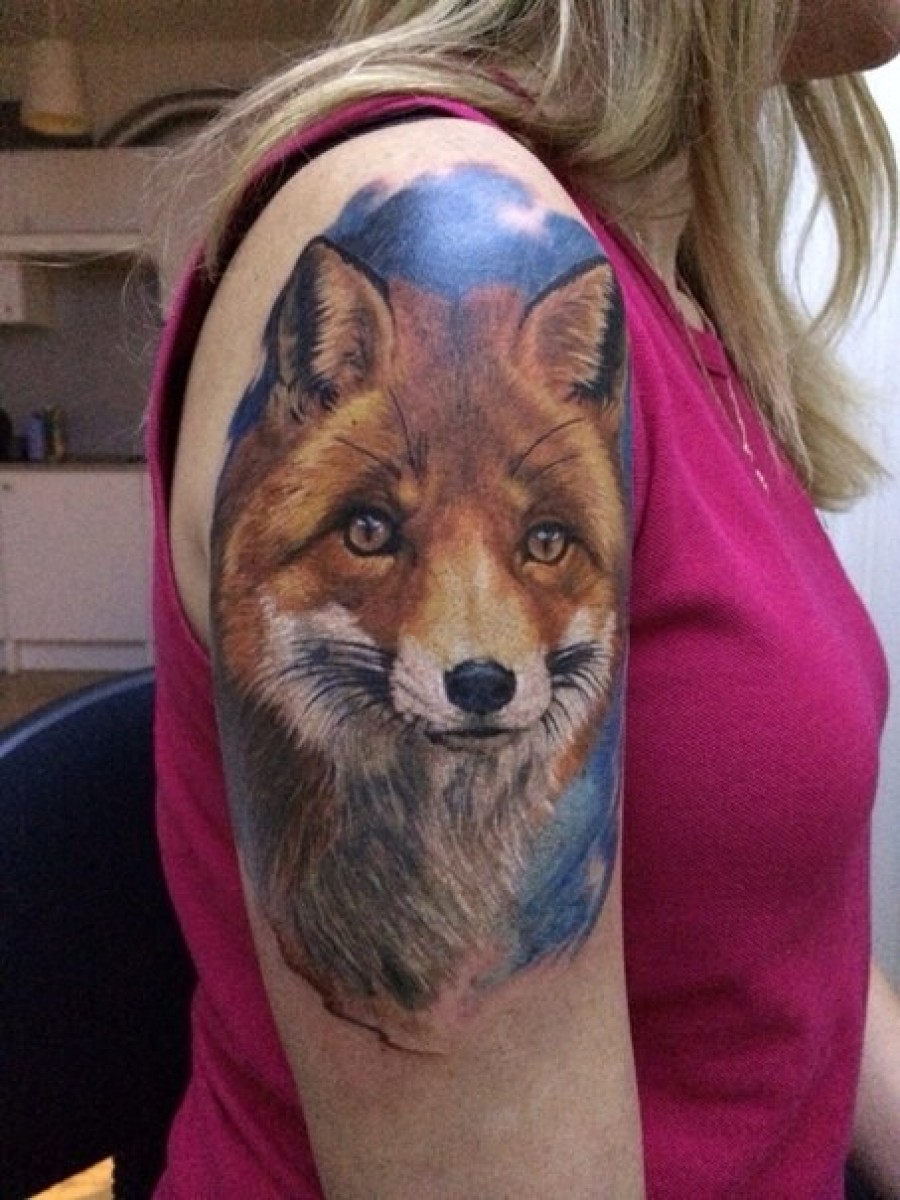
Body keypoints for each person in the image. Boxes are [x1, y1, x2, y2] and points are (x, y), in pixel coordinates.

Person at [148, 2, 900, 1195]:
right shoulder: (452, 229)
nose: (478, 648)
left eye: (541, 543)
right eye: (379, 533)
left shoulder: (667, 294)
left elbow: (774, 933)